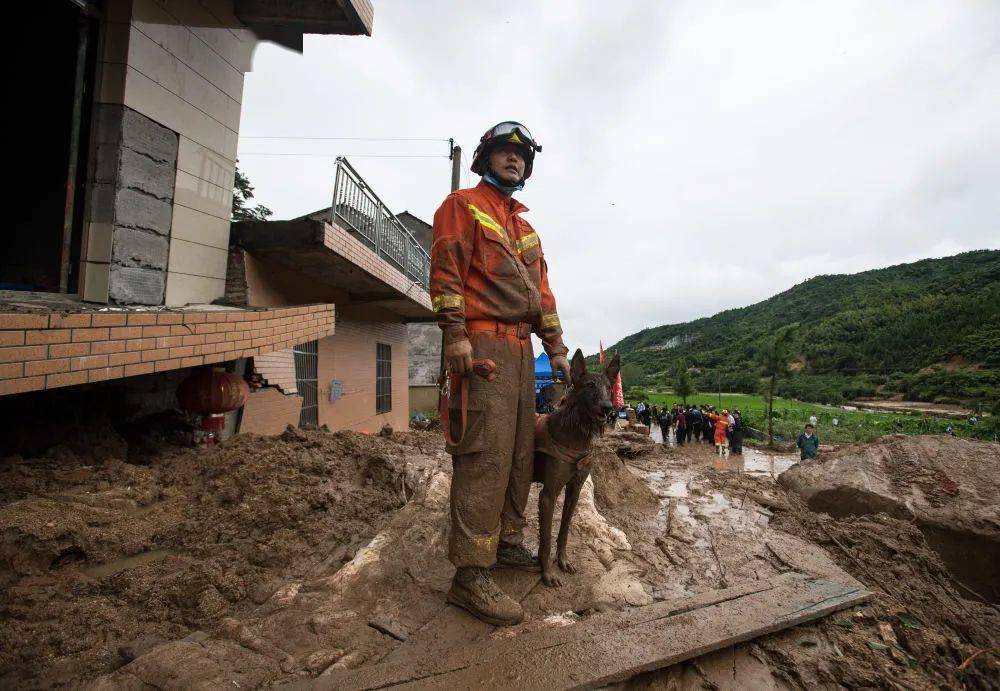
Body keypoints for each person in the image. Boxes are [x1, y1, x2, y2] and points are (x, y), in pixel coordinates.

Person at [430, 121, 571, 626]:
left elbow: (545, 298)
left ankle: (504, 542)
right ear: (485, 157)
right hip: (483, 342)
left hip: (520, 349)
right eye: (505, 152)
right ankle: (469, 576)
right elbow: (446, 272)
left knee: (517, 453)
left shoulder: (526, 229)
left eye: (522, 155)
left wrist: (555, 348)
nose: (515, 160)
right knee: (484, 455)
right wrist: (455, 335)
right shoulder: (462, 206)